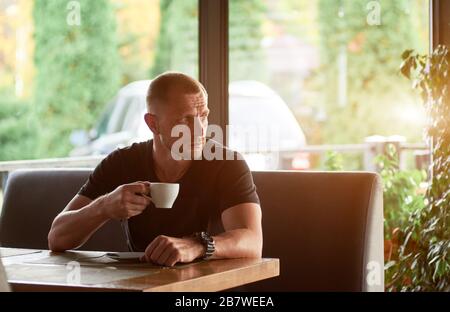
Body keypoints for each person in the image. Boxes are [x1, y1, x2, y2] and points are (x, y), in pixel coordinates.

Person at [48, 72, 262, 267]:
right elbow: (57, 237)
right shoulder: (122, 162)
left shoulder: (226, 163)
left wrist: (196, 245)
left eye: (203, 116)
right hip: (142, 285)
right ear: (153, 124)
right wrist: (104, 207)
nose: (200, 130)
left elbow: (253, 242)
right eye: (184, 120)